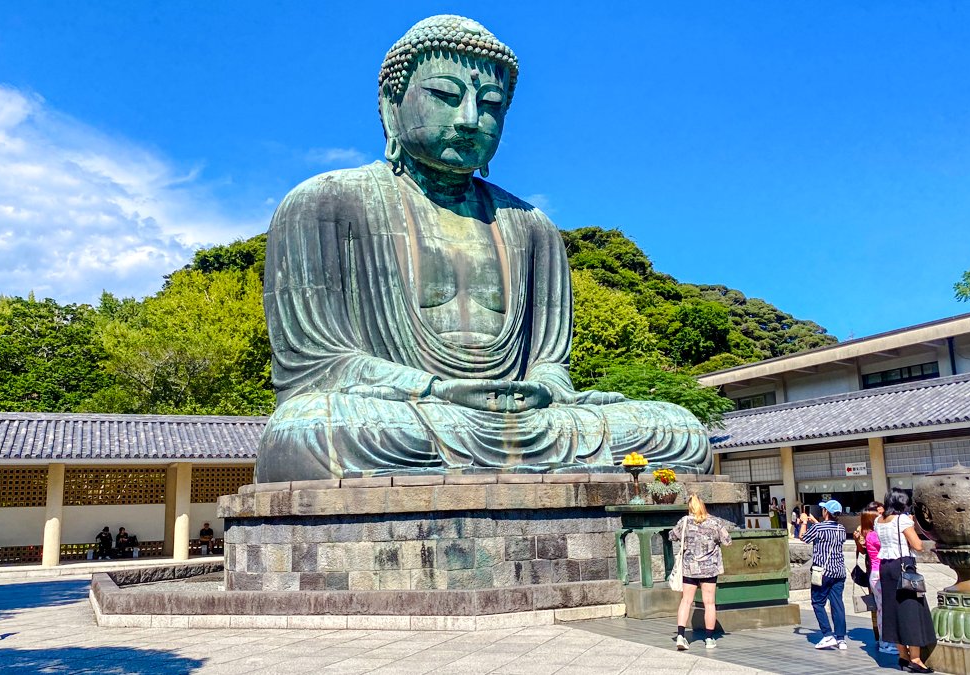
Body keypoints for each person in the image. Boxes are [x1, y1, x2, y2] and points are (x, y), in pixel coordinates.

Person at [252, 14, 711, 482]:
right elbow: (318, 367)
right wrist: (436, 389)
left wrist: (545, 390)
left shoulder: (533, 227)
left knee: (677, 429)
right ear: (393, 105)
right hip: (404, 414)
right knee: (306, 429)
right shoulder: (324, 204)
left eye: (490, 104)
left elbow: (549, 364)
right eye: (446, 96)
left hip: (522, 422)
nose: (470, 119)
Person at [875, 488, 936, 673]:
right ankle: (915, 659)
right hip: (903, 566)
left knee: (892, 611)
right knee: (911, 609)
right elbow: (917, 545)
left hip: (885, 567)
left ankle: (902, 656)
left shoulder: (879, 520)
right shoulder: (902, 520)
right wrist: (912, 525)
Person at [669, 494, 733, 651]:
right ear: (704, 505)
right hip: (709, 569)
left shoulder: (684, 521)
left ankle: (680, 636)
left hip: (690, 568)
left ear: (690, 507)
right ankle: (709, 639)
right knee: (709, 603)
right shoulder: (715, 522)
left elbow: (672, 536)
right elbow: (728, 541)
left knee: (686, 601)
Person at [799, 499, 849, 650]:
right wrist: (815, 522)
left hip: (822, 572)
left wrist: (803, 522)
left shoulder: (819, 528)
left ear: (826, 512)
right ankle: (841, 638)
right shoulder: (841, 528)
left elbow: (803, 537)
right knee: (837, 604)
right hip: (839, 571)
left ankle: (827, 635)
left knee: (818, 602)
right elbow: (826, 531)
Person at [855, 502, 897, 654]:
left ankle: (886, 641)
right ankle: (885, 643)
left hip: (879, 573)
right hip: (878, 574)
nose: (882, 518)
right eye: (878, 516)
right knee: (883, 609)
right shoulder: (874, 536)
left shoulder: (870, 534)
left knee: (883, 609)